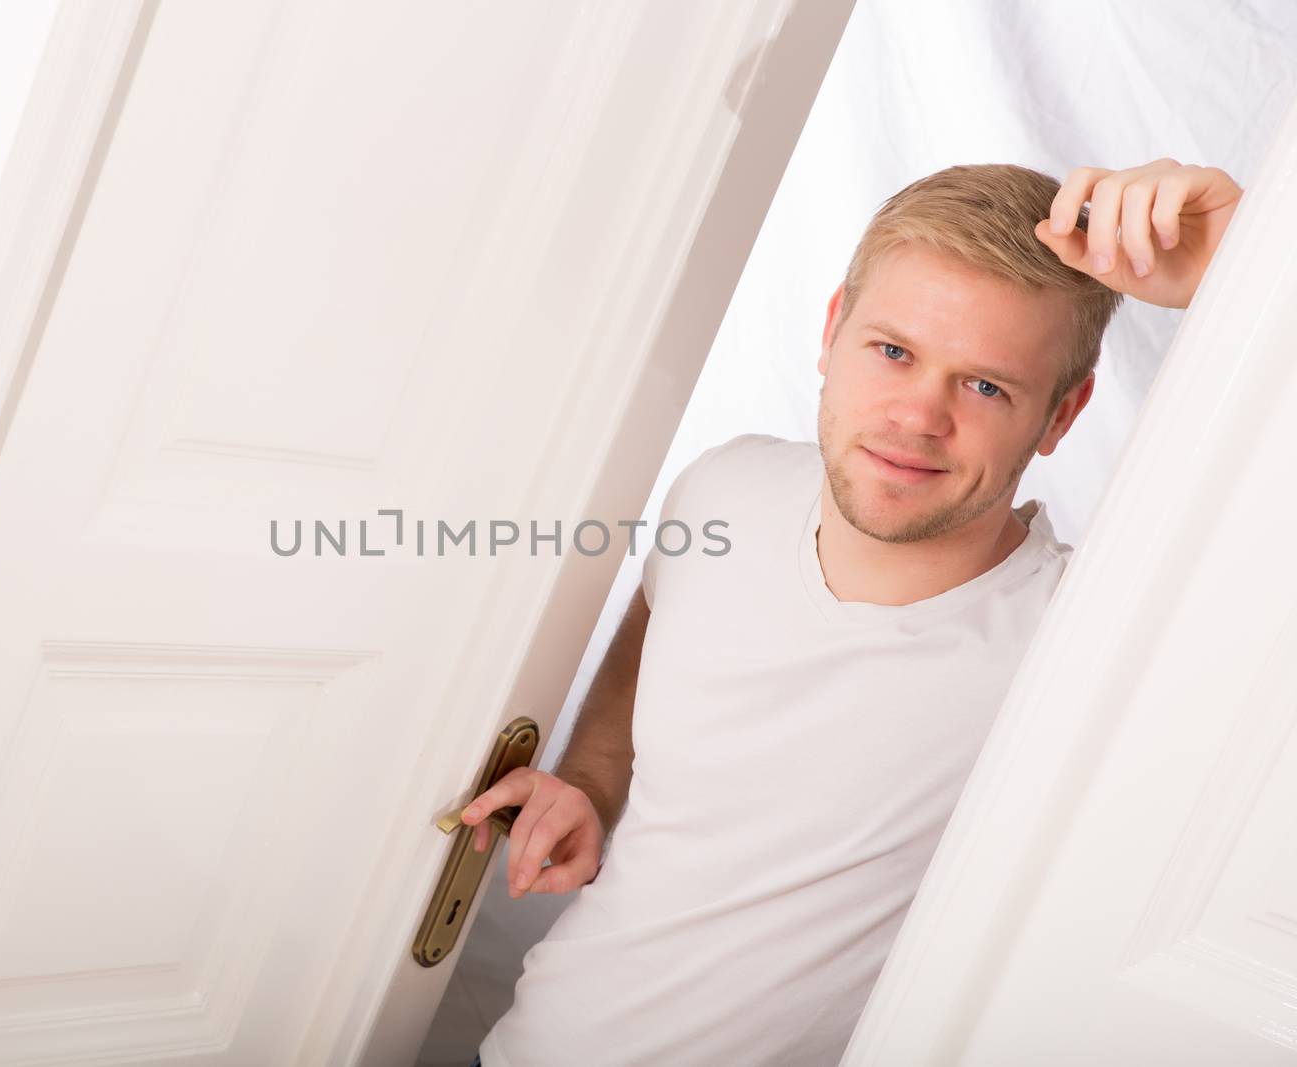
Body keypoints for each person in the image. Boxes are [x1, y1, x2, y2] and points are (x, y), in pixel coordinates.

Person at [462, 159, 1244, 1067]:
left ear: (1062, 414)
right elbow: (637, 685)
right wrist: (591, 789)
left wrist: (1253, 275)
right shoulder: (723, 487)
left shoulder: (1087, 637)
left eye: (985, 386)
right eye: (894, 351)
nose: (919, 415)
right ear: (833, 329)